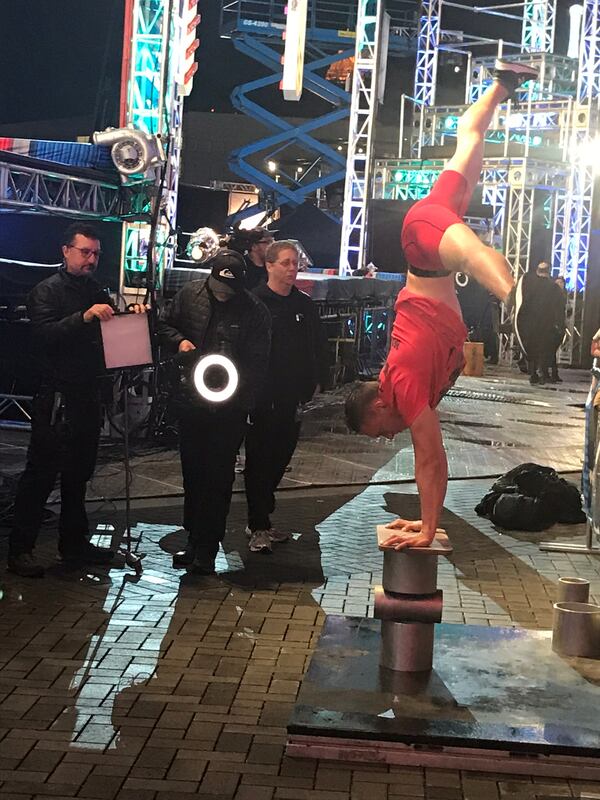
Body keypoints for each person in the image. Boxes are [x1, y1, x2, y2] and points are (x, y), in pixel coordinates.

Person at [344, 60, 537, 551]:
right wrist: (422, 519)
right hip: (432, 237)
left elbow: (430, 458)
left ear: (380, 405)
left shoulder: (403, 387)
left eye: (378, 432)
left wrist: (428, 528)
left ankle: (515, 294)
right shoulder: (400, 390)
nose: (386, 439)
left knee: (471, 252)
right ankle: (503, 82)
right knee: (469, 143)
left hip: (424, 244)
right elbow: (426, 459)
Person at [7, 223, 147, 578]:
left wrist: (134, 320)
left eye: (96, 253)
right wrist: (83, 317)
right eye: (85, 252)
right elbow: (43, 336)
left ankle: (74, 544)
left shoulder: (97, 289)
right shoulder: (46, 291)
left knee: (78, 475)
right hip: (56, 397)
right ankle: (20, 549)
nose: (91, 259)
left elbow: (110, 336)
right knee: (40, 475)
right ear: (66, 251)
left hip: (87, 394)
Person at [158, 249, 270, 574]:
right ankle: (193, 540)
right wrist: (180, 343)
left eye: (228, 291)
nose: (222, 295)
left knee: (218, 478)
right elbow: (163, 324)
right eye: (218, 288)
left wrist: (240, 398)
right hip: (191, 403)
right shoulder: (189, 295)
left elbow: (258, 364)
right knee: (193, 474)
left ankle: (207, 548)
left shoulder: (253, 311)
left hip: (229, 411)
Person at [243, 241, 329, 553]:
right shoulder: (254, 303)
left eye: (295, 263)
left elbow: (317, 344)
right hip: (262, 397)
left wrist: (318, 380)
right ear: (269, 265)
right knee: (259, 460)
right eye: (285, 263)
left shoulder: (303, 306)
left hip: (292, 396)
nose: (292, 269)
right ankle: (258, 523)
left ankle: (263, 516)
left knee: (281, 457)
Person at [514, 261, 563, 385]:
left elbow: (523, 306)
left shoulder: (530, 287)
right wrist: (559, 325)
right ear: (549, 272)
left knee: (533, 349)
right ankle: (543, 373)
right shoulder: (554, 288)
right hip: (548, 326)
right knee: (546, 351)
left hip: (531, 325)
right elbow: (559, 308)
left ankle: (534, 374)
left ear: (537, 271)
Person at [549, 275, 568, 382]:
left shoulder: (563, 296)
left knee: (553, 351)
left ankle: (553, 373)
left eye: (561, 283)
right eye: (558, 283)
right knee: (551, 351)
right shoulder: (551, 297)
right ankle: (552, 373)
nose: (560, 285)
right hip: (551, 326)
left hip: (560, 326)